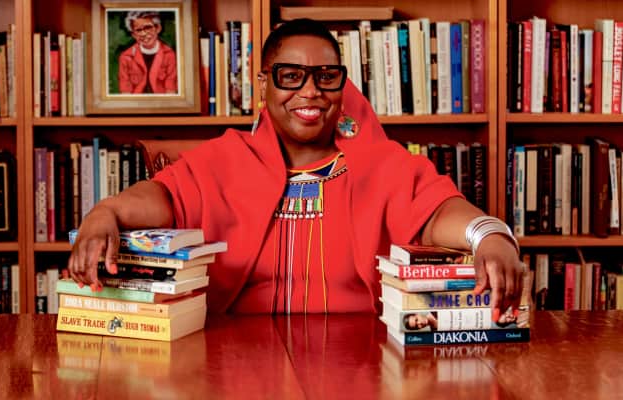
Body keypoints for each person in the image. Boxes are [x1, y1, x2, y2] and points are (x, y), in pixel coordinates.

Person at [70, 18, 524, 318]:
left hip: (361, 362)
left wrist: (490, 236)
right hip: (233, 361)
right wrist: (104, 214)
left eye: (326, 77)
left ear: (342, 85)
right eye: (291, 76)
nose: (310, 92)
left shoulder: (382, 163)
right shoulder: (224, 158)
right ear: (263, 83)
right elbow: (163, 195)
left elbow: (439, 209)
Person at [118, 11, 177, 94]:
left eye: (148, 27)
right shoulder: (126, 57)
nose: (143, 33)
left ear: (158, 28)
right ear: (133, 35)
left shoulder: (169, 54)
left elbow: (171, 90)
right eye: (138, 30)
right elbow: (125, 91)